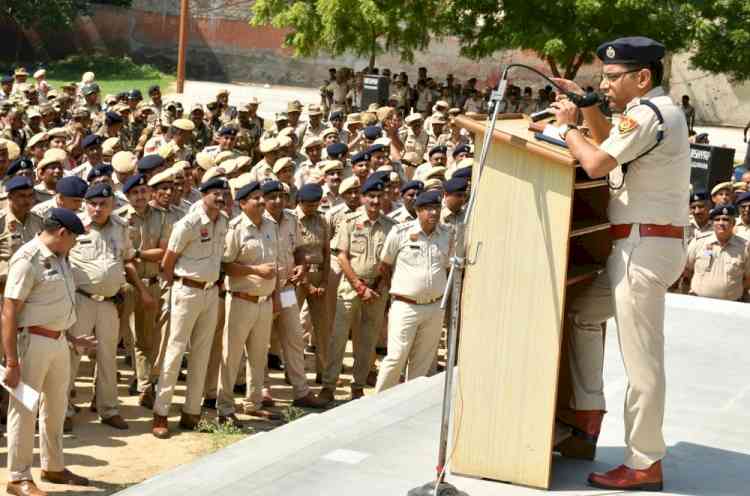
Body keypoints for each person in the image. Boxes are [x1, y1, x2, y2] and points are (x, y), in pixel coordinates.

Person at [550, 36, 689, 490]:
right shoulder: (651, 111)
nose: (604, 85)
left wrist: (568, 126)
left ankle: (645, 461)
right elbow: (611, 141)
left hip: (642, 248)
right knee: (584, 313)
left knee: (643, 362)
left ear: (642, 77)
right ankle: (588, 411)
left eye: (612, 78)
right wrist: (586, 105)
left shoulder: (650, 113)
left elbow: (595, 162)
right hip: (642, 244)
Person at [3, 208, 91, 496]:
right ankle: (18, 477)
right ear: (62, 233)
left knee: (55, 408)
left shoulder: (61, 256)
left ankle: (53, 466)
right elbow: (9, 311)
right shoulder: (28, 258)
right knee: (24, 410)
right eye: (74, 238)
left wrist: (73, 336)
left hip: (58, 341)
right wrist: (12, 361)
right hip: (33, 343)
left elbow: (56, 302)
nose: (76, 243)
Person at [67, 183, 150, 431]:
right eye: (93, 203)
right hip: (81, 300)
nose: (98, 208)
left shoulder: (121, 227)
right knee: (73, 354)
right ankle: (63, 410)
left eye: (103, 204)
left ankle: (109, 409)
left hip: (110, 303)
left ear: (112, 204)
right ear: (85, 204)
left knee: (107, 357)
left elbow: (126, 259)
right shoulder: (75, 226)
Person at [152, 177, 229, 439]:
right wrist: (176, 288)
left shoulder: (224, 221)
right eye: (215, 193)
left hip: (210, 291)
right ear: (204, 194)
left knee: (202, 353)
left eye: (223, 193)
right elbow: (168, 261)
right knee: (174, 352)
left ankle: (191, 412)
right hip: (186, 290)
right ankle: (161, 413)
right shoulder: (189, 223)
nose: (220, 198)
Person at [319, 176, 396, 402]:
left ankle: (358, 386)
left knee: (368, 339)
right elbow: (341, 256)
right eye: (371, 196)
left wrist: (378, 286)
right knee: (339, 337)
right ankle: (328, 386)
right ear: (363, 198)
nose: (375, 201)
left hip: (377, 289)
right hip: (352, 286)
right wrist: (359, 286)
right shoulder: (351, 222)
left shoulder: (391, 227)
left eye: (379, 196)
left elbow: (390, 261)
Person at [375, 190, 452, 392]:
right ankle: (377, 402)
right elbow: (384, 265)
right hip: (405, 305)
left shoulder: (446, 235)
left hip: (435, 306)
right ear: (418, 210)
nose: (433, 213)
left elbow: (448, 266)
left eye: (436, 208)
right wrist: (398, 289)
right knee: (396, 357)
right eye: (428, 209)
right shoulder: (400, 232)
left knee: (422, 363)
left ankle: (405, 406)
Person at [682, 204, 750, 302]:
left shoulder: (744, 246)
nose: (721, 223)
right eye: (717, 219)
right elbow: (687, 271)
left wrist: (733, 291)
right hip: (698, 302)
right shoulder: (699, 242)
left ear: (733, 223)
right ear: (712, 223)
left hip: (731, 305)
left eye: (726, 220)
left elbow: (748, 278)